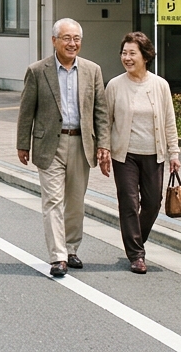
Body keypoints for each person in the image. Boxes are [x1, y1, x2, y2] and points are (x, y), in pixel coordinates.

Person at [16, 18, 109, 279]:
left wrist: (104, 145)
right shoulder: (37, 70)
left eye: (76, 39)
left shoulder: (92, 70)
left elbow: (100, 111)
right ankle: (58, 256)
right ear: (54, 40)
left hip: (82, 142)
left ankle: (71, 248)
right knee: (53, 201)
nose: (72, 43)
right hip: (49, 145)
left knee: (75, 201)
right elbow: (26, 111)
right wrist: (23, 143)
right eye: (66, 38)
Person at [101, 32, 180, 275]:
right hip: (125, 155)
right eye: (124, 53)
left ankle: (136, 241)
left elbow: (169, 121)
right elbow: (105, 121)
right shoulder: (115, 85)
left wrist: (174, 153)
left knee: (152, 204)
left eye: (132, 53)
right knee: (128, 202)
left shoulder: (160, 85)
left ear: (145, 56)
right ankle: (136, 254)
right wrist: (103, 149)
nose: (127, 57)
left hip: (153, 154)